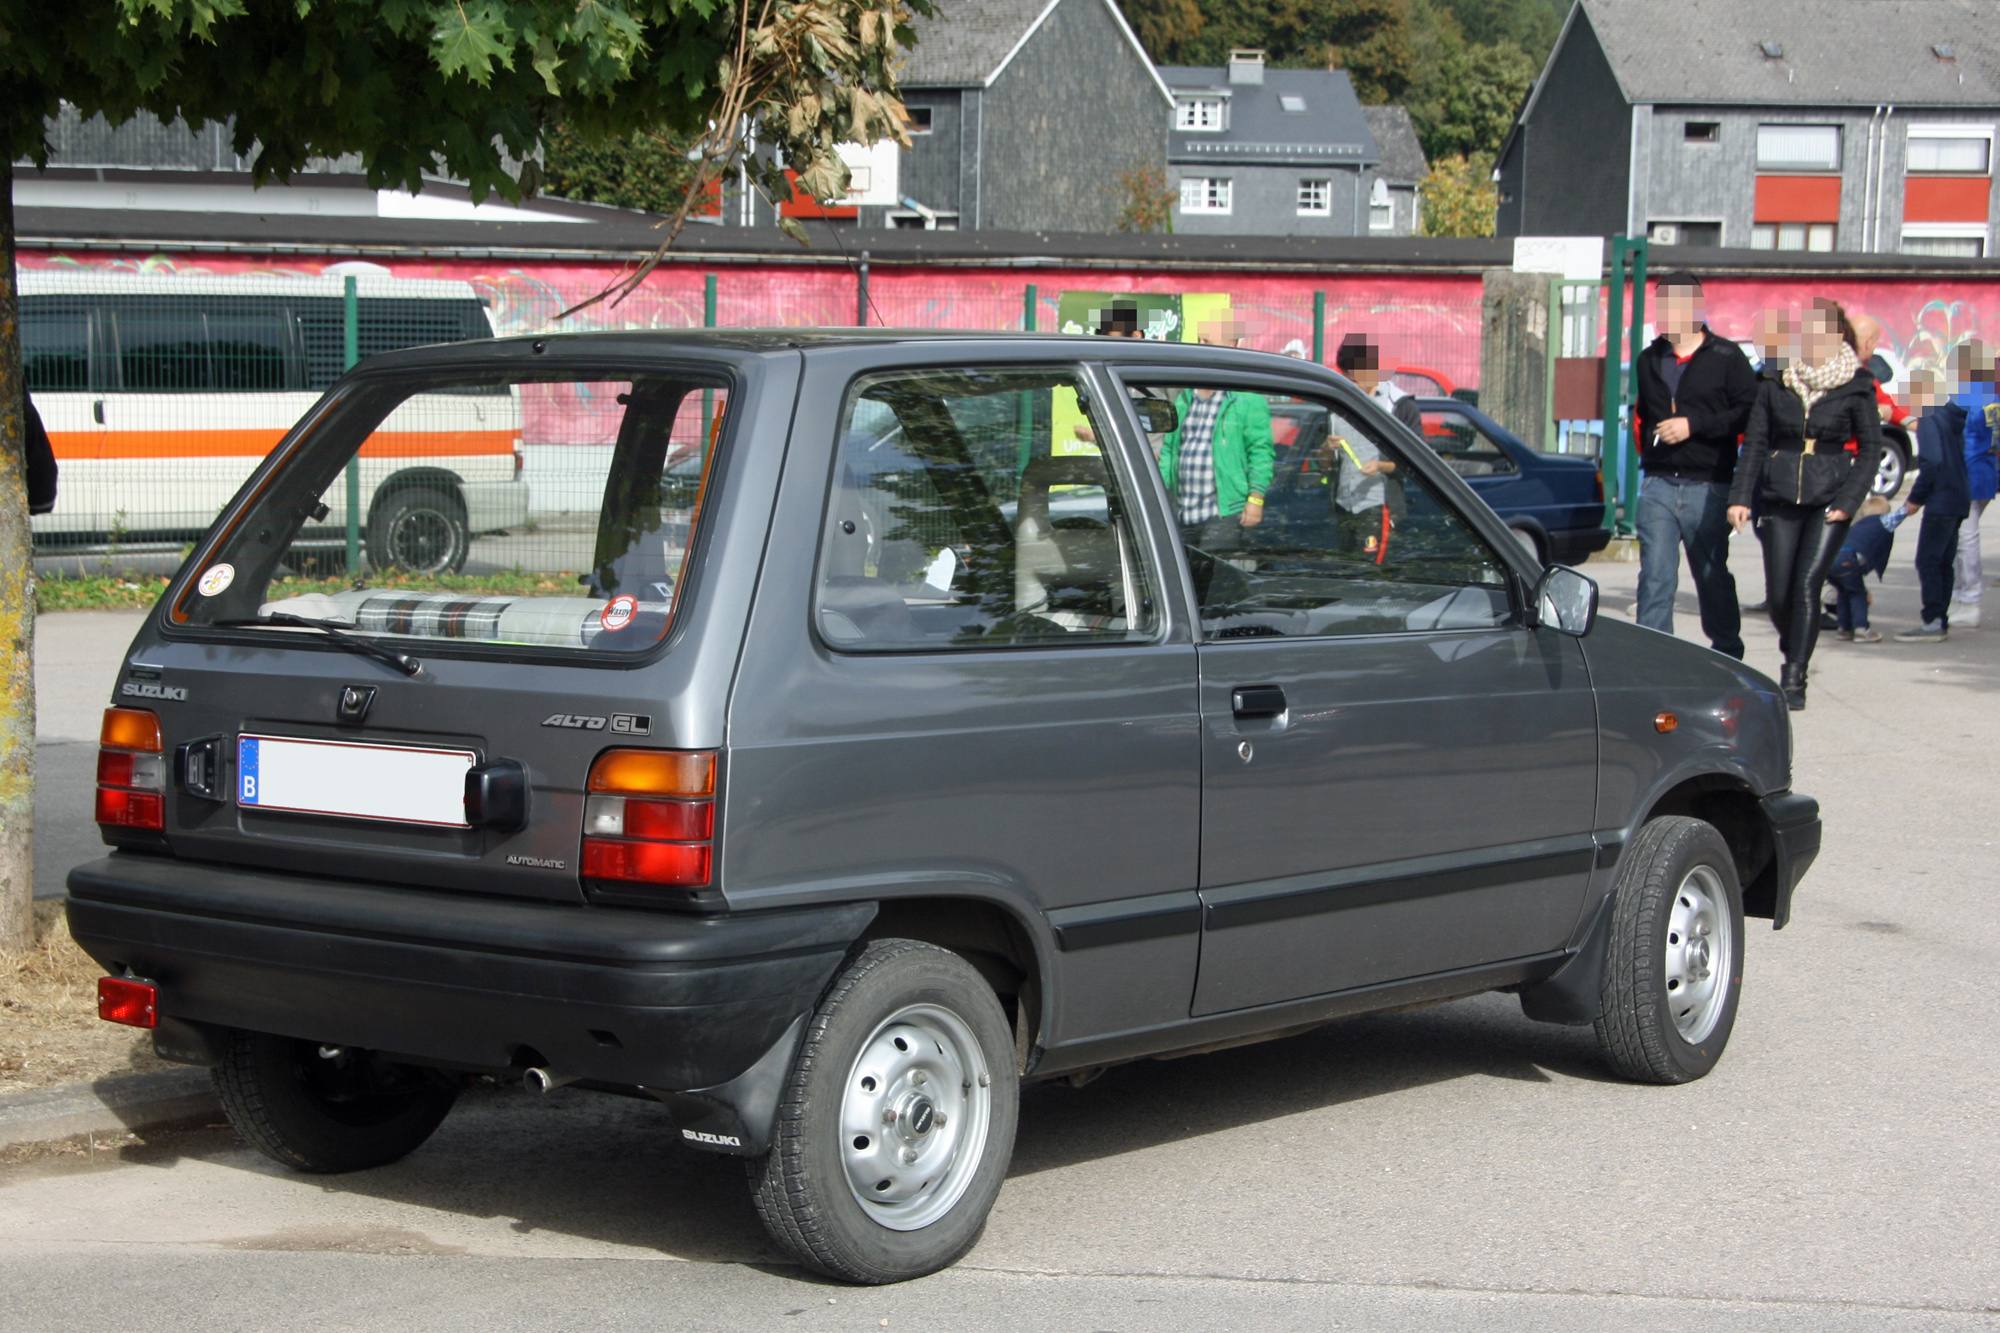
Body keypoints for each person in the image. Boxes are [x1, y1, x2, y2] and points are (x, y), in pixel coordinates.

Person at [1728, 298, 1884, 710]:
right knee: (1780, 595)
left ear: (1836, 335)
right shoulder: (1775, 377)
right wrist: (1741, 496)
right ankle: (1796, 638)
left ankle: (1794, 676)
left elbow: (1871, 450)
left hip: (1829, 500)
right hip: (1778, 495)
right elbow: (1756, 441)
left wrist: (1850, 500)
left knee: (1806, 586)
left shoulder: (1857, 383)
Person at [1632, 273, 1756, 658]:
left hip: (1709, 485)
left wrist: (1693, 425)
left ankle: (1727, 654)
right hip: (1658, 485)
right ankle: (1653, 660)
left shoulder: (1726, 357)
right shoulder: (1649, 359)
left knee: (1711, 575)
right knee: (1656, 578)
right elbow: (1644, 414)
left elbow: (1747, 414)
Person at [1896, 363, 1972, 641]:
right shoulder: (1950, 416)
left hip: (1940, 499)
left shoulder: (1929, 418)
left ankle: (1932, 620)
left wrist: (1915, 499)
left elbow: (1932, 461)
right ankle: (1940, 617)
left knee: (1928, 560)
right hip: (1958, 495)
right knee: (1943, 561)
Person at [1157, 381, 1275, 551]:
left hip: (1224, 511)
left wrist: (1256, 499)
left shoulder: (1248, 400)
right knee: (1186, 572)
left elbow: (1261, 453)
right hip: (1184, 509)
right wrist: (1157, 490)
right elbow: (1169, 449)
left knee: (1213, 572)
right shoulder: (1185, 398)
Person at [1953, 340, 1997, 628]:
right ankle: (1963, 597)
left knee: (1965, 539)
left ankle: (1968, 600)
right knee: (1964, 538)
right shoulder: (1992, 395)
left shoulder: (1969, 395)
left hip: (1968, 474)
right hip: (1985, 473)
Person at [1826, 496, 1899, 642]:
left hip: (1829, 562)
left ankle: (1844, 629)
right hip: (1848, 561)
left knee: (1844, 593)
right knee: (1858, 594)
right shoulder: (1881, 523)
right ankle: (1861, 629)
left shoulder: (1855, 527)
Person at [1334, 333, 1423, 433]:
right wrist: (1326, 447)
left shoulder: (1401, 405)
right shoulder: (1334, 399)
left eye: (1357, 380)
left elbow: (1411, 447)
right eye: (1348, 380)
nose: (1353, 386)